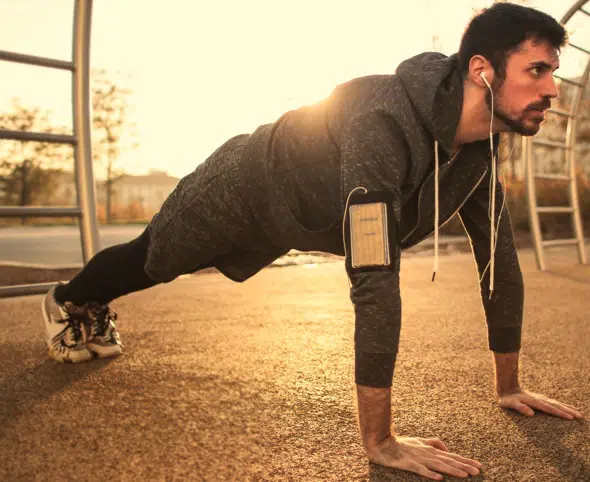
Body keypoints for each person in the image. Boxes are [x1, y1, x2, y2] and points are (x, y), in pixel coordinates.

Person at [41, 3, 584, 480]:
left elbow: (500, 261)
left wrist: (508, 386)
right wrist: (380, 440)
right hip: (243, 185)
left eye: (554, 73)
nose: (552, 89)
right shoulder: (383, 123)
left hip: (303, 215)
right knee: (154, 260)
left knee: (158, 260)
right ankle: (70, 298)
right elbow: (374, 275)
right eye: (536, 70)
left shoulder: (481, 149)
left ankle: (87, 300)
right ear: (482, 71)